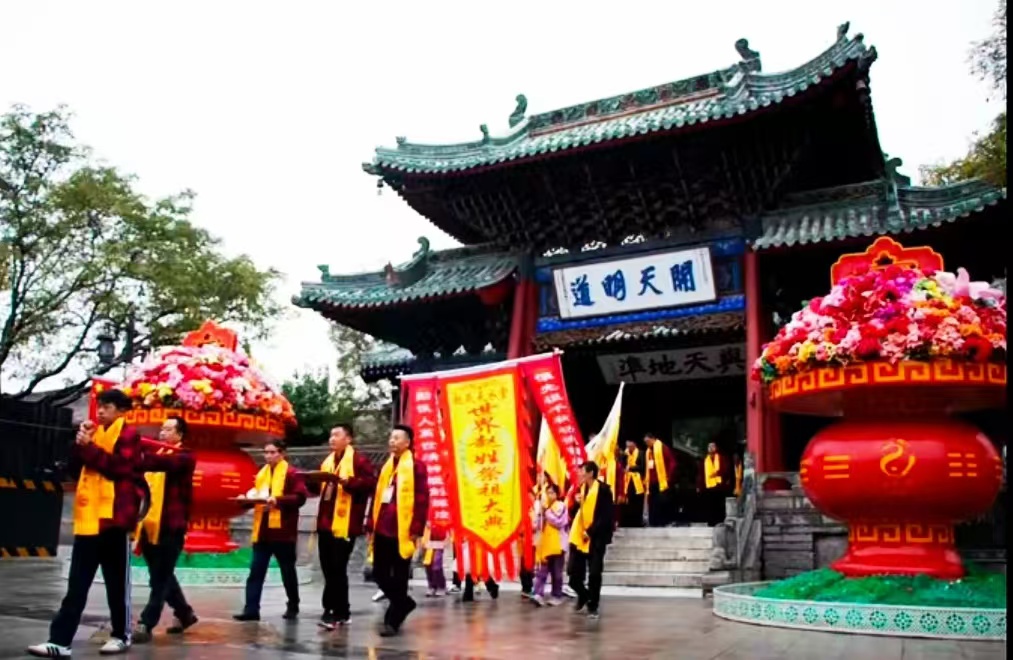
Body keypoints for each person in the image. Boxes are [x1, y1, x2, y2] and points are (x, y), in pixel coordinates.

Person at [28, 388, 145, 657]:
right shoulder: (94, 433)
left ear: (122, 411)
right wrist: (79, 444)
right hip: (88, 519)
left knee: (116, 585)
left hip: (113, 520)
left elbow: (120, 468)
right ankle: (60, 642)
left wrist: (89, 448)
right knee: (77, 585)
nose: (100, 411)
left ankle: (121, 635)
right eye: (100, 406)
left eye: (107, 407)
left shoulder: (129, 435)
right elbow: (75, 469)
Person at [132, 416, 198, 643]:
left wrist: (137, 453)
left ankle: (146, 623)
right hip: (149, 524)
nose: (162, 433)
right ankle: (185, 614)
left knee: (159, 578)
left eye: (168, 429)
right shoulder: (158, 454)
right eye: (162, 429)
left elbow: (163, 464)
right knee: (161, 574)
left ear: (180, 434)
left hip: (171, 525)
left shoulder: (186, 456)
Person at [309, 424, 376, 630]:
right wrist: (310, 481)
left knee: (338, 568)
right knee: (328, 569)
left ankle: (338, 612)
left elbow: (371, 484)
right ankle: (334, 609)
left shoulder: (359, 461)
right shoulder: (328, 461)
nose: (332, 439)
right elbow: (318, 489)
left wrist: (350, 482)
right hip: (325, 523)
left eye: (337, 435)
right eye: (331, 435)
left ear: (348, 439)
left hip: (346, 524)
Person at [234, 440, 307, 622]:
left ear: (282, 453)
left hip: (283, 532)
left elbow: (300, 498)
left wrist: (277, 500)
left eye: (272, 452)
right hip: (263, 531)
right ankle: (251, 609)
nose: (268, 456)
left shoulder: (292, 473)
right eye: (266, 452)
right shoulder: (262, 474)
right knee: (256, 572)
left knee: (287, 572)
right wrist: (245, 500)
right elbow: (258, 495)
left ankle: (293, 604)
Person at [367, 424, 429, 637]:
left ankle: (392, 621)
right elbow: (377, 497)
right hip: (382, 527)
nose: (392, 441)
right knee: (379, 573)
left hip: (403, 529)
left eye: (397, 438)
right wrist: (370, 523)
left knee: (400, 576)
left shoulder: (417, 467)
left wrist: (417, 527)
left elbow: (422, 499)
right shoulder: (386, 467)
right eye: (391, 438)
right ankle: (404, 603)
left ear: (407, 442)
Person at [567, 461, 614, 619]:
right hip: (579, 536)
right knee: (573, 575)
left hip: (596, 538)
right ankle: (584, 595)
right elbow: (575, 512)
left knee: (594, 574)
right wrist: (576, 503)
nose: (579, 474)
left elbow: (606, 516)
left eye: (582, 471)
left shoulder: (604, 490)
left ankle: (593, 605)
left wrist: (591, 531)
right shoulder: (580, 489)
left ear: (591, 473)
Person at [532, 482, 568, 607]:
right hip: (546, 544)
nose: (549, 495)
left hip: (558, 544)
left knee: (557, 573)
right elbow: (538, 525)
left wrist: (546, 513)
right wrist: (540, 515)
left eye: (552, 492)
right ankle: (538, 594)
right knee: (542, 571)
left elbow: (559, 522)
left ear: (557, 494)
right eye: (548, 493)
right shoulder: (545, 508)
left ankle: (556, 595)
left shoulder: (561, 506)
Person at [644, 433, 677, 528]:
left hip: (661, 480)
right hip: (651, 481)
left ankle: (662, 521)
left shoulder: (662, 447)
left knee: (661, 501)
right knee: (652, 502)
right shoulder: (648, 451)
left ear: (653, 439)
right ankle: (653, 522)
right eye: (645, 442)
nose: (647, 443)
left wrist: (668, 475)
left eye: (648, 441)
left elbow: (672, 463)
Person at [697, 442, 733, 526]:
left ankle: (720, 521)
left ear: (716, 448)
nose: (711, 448)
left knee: (720, 505)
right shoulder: (705, 460)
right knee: (710, 505)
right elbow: (701, 474)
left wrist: (718, 473)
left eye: (713, 446)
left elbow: (726, 470)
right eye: (709, 446)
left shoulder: (721, 458)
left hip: (719, 486)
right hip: (709, 486)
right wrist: (699, 486)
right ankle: (711, 522)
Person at [620, 440, 646, 527]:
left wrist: (631, 468)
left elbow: (642, 467)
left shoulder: (641, 453)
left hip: (637, 481)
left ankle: (637, 522)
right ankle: (627, 522)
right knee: (628, 501)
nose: (629, 448)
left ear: (634, 444)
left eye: (630, 446)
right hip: (627, 480)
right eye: (627, 446)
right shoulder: (625, 454)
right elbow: (622, 465)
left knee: (637, 502)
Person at [422, 521, 448, 597]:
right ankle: (432, 586)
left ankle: (441, 586)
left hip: (439, 539)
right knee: (428, 564)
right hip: (428, 538)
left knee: (437, 564)